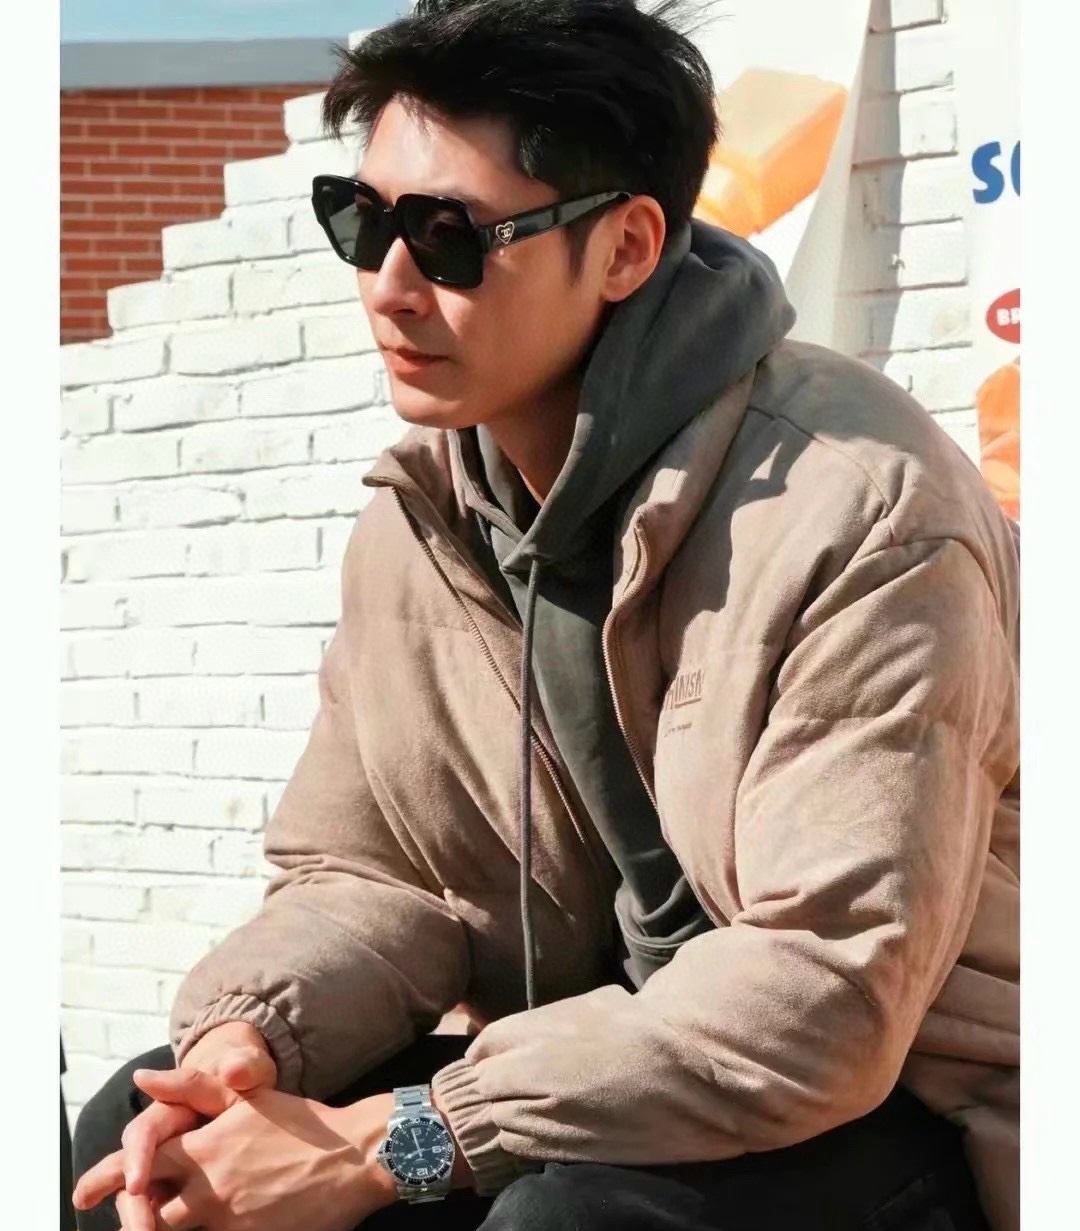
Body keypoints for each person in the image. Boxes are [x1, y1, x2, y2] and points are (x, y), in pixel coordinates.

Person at [71, 2, 1020, 1229]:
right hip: (595, 1067)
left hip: (901, 1097)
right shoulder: (424, 514)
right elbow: (378, 870)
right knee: (140, 1142)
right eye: (360, 221)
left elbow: (828, 992)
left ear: (626, 248)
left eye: (451, 239)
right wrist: (252, 1040)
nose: (390, 286)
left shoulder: (861, 508)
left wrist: (405, 1138)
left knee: (563, 1221)